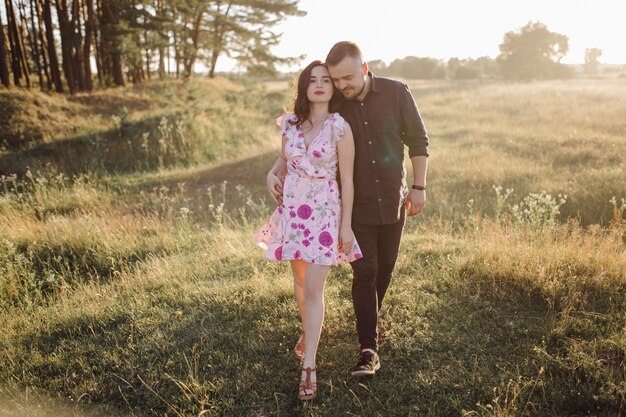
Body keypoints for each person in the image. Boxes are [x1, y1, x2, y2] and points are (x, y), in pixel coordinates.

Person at [268, 41, 430, 378]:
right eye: (335, 79)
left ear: (364, 67)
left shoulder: (397, 92)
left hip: (393, 197)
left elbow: (418, 140)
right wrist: (275, 169)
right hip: (353, 206)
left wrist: (419, 186)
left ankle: (367, 318)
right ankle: (368, 349)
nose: (341, 85)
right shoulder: (337, 103)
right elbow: (304, 134)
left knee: (385, 268)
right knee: (365, 271)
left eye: (347, 78)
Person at [254, 60, 363, 400]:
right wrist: (270, 175)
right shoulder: (289, 123)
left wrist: (346, 226)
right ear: (304, 87)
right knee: (300, 282)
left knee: (314, 288)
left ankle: (310, 366)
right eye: (312, 80)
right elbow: (282, 163)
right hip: (293, 212)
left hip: (325, 214)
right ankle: (308, 332)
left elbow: (348, 181)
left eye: (325, 80)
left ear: (332, 88)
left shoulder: (340, 127)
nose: (319, 85)